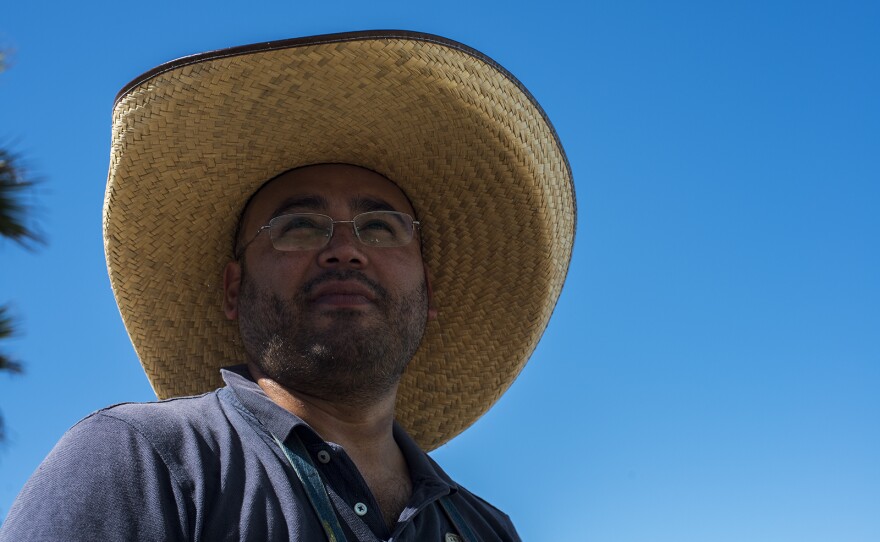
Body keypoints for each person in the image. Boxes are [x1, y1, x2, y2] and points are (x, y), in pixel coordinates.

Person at [0, 30, 575, 541]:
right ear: (233, 288)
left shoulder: (484, 528)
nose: (346, 249)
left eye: (381, 227)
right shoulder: (143, 461)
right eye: (299, 227)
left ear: (428, 295)